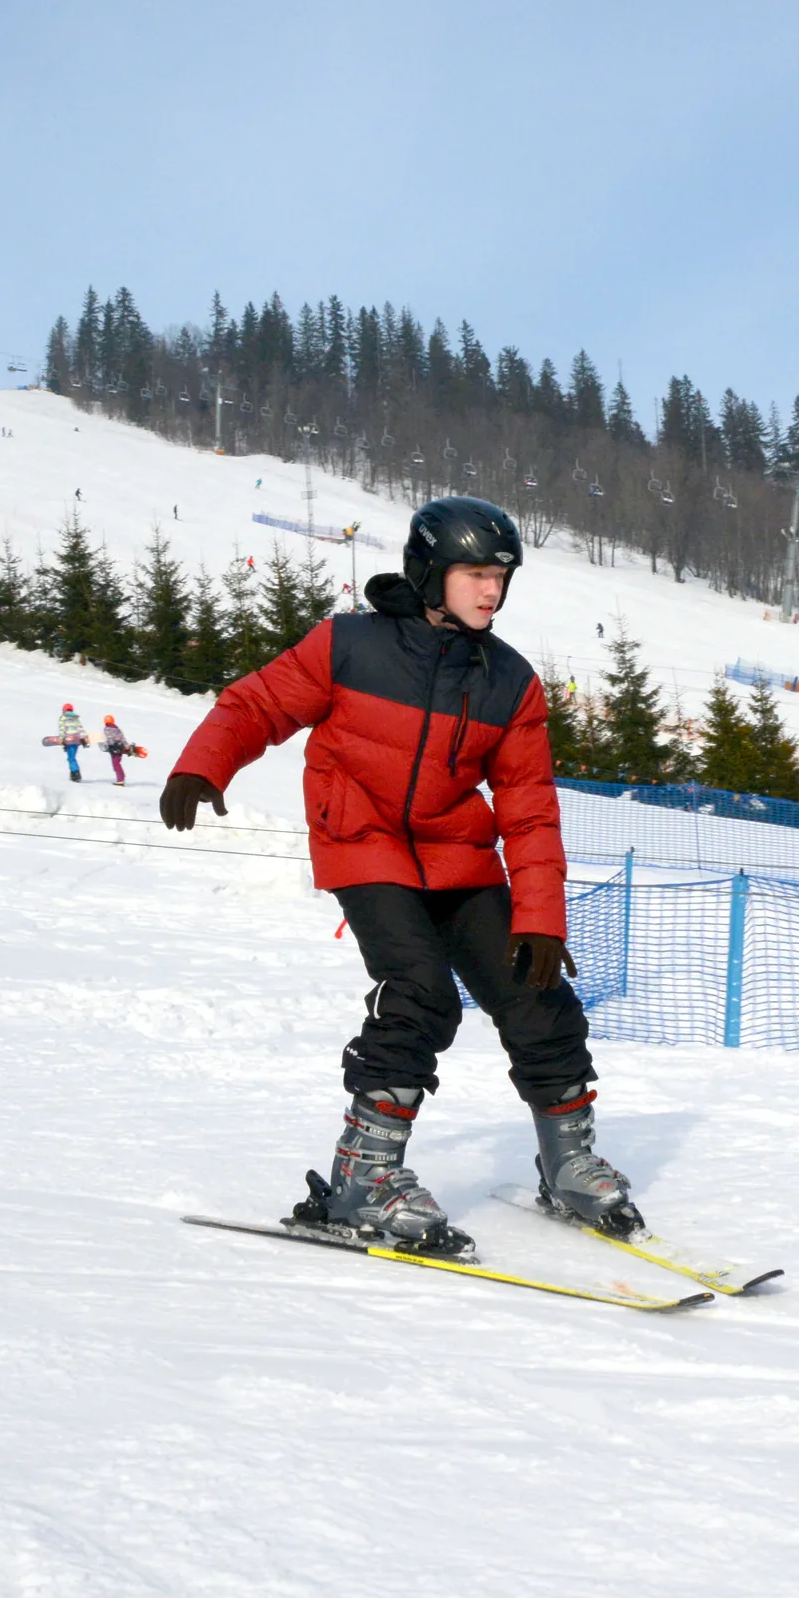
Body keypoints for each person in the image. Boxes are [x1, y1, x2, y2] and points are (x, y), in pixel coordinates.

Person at [160, 496, 631, 1255]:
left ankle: (568, 1160)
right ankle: (364, 1177)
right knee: (419, 991)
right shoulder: (348, 646)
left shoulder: (510, 682)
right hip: (365, 839)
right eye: (475, 574)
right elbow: (257, 705)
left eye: (501, 576)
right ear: (430, 573)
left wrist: (540, 916)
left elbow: (530, 808)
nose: (492, 591)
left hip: (456, 852)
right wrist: (201, 765)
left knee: (535, 993)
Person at [54, 703, 84, 783]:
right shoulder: (75, 718)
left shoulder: (63, 718)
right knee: (72, 757)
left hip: (69, 739)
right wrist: (83, 737)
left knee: (71, 758)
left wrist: (62, 739)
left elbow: (62, 729)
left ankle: (76, 774)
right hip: (77, 739)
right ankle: (73, 774)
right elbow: (80, 728)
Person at [101, 713, 132, 784]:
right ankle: (121, 777)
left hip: (114, 749)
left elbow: (108, 739)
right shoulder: (117, 729)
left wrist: (106, 746)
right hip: (120, 747)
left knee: (116, 764)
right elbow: (122, 738)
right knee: (117, 763)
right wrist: (127, 746)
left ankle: (120, 780)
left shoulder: (106, 729)